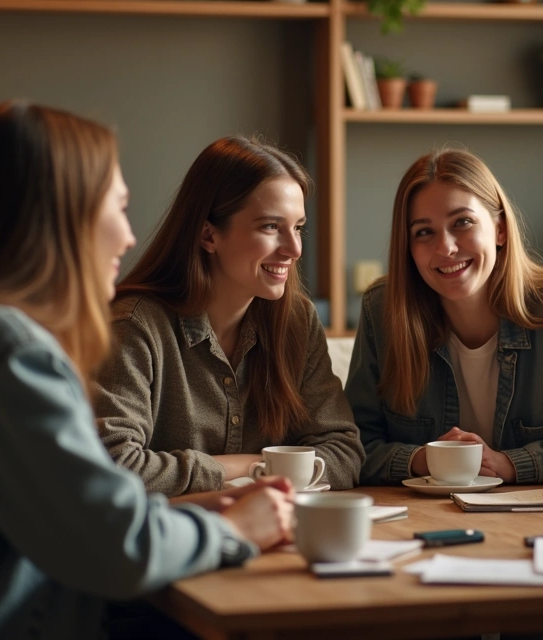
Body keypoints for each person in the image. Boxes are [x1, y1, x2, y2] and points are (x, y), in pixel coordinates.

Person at [0, 102, 295, 638]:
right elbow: (113, 548)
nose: (129, 236)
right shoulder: (5, 351)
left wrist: (204, 512)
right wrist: (233, 530)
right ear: (59, 215)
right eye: (117, 208)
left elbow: (75, 512)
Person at [94, 136, 364, 496]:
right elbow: (111, 466)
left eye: (297, 227)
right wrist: (250, 466)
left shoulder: (296, 321)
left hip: (280, 534)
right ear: (209, 234)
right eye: (270, 227)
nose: (294, 249)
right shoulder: (135, 326)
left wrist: (250, 470)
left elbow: (344, 451)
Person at [348, 149, 543, 485]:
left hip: (542, 520)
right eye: (424, 232)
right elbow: (355, 447)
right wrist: (425, 459)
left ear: (500, 230)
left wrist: (510, 464)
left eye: (462, 222)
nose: (446, 248)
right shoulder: (383, 313)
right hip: (418, 515)